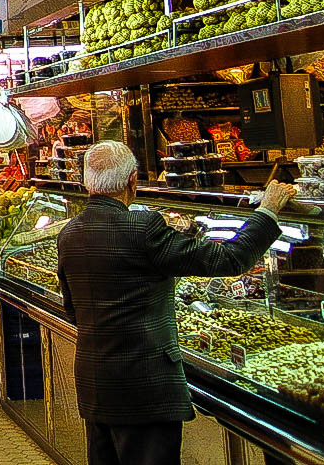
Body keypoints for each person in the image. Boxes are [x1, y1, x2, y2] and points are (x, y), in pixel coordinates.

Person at [57, 141, 294, 465]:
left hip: (95, 384)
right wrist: (267, 212)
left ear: (86, 183)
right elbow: (230, 259)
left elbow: (72, 308)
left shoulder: (69, 232)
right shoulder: (142, 228)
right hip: (146, 389)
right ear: (132, 180)